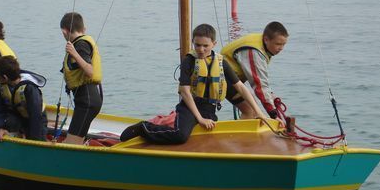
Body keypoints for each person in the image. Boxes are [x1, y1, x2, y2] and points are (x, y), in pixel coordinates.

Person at [120, 24, 267, 144]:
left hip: (209, 109)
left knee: (210, 140)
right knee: (180, 136)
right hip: (189, 108)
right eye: (197, 45)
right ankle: (144, 128)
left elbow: (241, 87)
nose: (201, 49)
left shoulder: (221, 62)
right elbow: (185, 91)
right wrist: (200, 119)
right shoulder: (189, 61)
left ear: (214, 44)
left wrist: (259, 113)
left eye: (205, 46)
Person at [221, 21, 289, 119]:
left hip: (232, 79)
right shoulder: (254, 52)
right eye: (278, 44)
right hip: (223, 77)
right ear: (266, 39)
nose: (281, 48)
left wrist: (271, 96)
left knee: (254, 107)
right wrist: (273, 114)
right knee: (251, 110)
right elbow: (260, 86)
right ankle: (242, 134)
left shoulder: (262, 44)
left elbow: (262, 80)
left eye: (284, 44)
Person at [60, 12, 103, 145]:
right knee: (76, 140)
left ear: (64, 31)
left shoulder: (80, 45)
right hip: (88, 99)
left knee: (71, 143)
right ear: (83, 29)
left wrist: (74, 53)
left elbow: (90, 71)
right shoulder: (82, 42)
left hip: (87, 100)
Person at [0, 56, 48, 142]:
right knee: (6, 123)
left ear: (5, 77)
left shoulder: (29, 89)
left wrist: (34, 141)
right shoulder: (2, 86)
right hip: (17, 118)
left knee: (37, 137)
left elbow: (36, 116)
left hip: (36, 121)